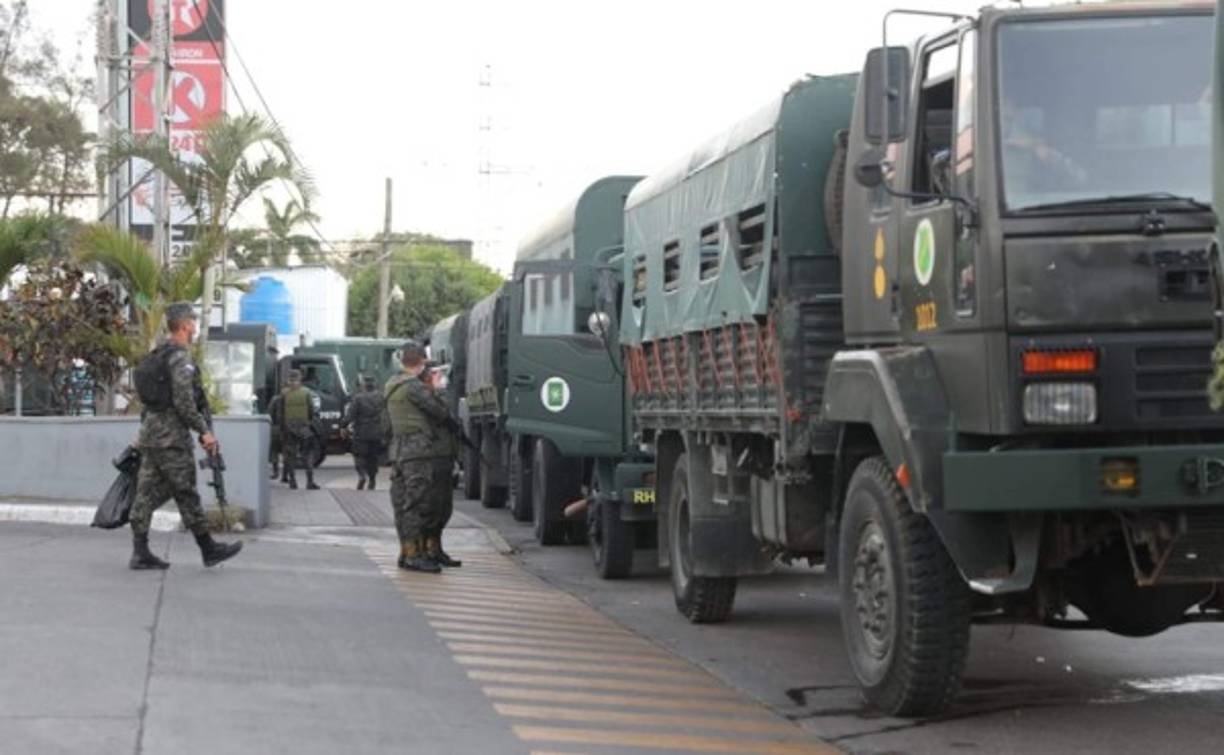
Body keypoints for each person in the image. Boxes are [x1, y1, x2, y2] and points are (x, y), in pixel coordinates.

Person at [128, 302, 242, 570]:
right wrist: (204, 432)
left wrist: (141, 435)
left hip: (151, 437)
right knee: (186, 492)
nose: (195, 324)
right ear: (185, 325)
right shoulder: (179, 357)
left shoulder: (158, 354)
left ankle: (140, 551)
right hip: (172, 439)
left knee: (145, 493)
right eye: (193, 319)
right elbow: (184, 402)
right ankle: (208, 549)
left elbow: (151, 403)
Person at [384, 341, 453, 573]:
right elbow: (441, 413)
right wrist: (434, 387)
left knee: (401, 503)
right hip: (417, 452)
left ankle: (407, 551)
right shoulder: (415, 387)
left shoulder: (391, 384)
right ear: (422, 362)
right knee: (417, 503)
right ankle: (414, 556)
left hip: (398, 452)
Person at [422, 361, 462, 568]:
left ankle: (436, 549)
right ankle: (424, 551)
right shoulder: (425, 398)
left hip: (445, 457)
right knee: (432, 507)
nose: (441, 378)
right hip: (432, 458)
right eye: (437, 374)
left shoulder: (438, 397)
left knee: (444, 509)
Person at [278, 370, 320, 490]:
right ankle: (310, 481)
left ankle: (293, 481)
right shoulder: (307, 392)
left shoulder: (284, 393)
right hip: (303, 427)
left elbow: (281, 413)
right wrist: (308, 422)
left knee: (290, 455)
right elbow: (312, 410)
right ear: (300, 379)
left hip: (289, 427)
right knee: (308, 454)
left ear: (288, 380)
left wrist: (282, 428)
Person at [342, 374, 385, 490]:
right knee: (373, 458)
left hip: (361, 432)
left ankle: (362, 475)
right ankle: (372, 480)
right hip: (377, 432)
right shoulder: (381, 397)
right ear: (375, 384)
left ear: (364, 385)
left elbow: (350, 415)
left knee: (359, 455)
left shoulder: (358, 398)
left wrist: (343, 426)